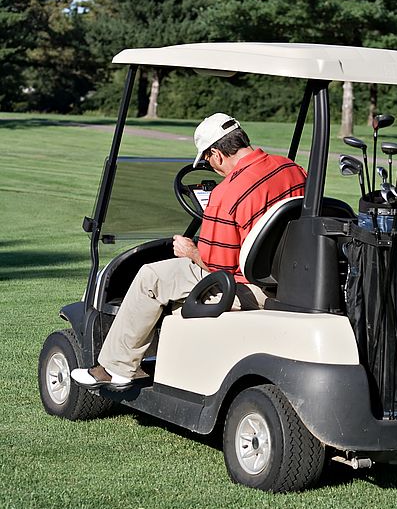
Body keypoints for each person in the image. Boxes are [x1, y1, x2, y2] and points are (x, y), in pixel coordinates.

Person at [71, 113, 307, 389]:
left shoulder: (227, 194)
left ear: (217, 154)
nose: (211, 165)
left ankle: (115, 368)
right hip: (291, 276)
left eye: (207, 160)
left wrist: (191, 251)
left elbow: (217, 267)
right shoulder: (292, 169)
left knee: (151, 276)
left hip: (248, 285)